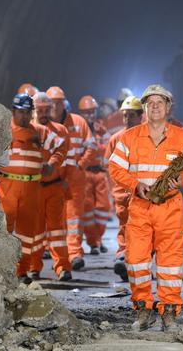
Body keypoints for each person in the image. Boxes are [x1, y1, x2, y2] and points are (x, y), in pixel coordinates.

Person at [108, 84, 183, 332]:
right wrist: (134, 185)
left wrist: (182, 180)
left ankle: (169, 312)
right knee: (136, 260)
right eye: (150, 103)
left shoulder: (181, 136)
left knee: (170, 262)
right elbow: (115, 167)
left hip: (170, 206)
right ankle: (143, 311)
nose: (155, 107)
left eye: (160, 102)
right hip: (140, 206)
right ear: (144, 108)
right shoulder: (130, 137)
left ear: (168, 108)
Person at [0, 93, 63, 284]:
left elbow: (61, 147)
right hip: (8, 187)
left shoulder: (40, 132)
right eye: (20, 112)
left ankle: (22, 273)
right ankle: (0, 270)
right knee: (3, 231)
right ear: (13, 112)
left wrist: (52, 164)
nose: (24, 116)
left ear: (32, 113)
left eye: (27, 112)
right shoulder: (4, 132)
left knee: (27, 234)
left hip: (31, 187)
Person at [47, 86, 98, 271]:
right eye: (51, 103)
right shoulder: (44, 125)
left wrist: (81, 164)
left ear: (63, 103)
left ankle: (75, 254)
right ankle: (60, 258)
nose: (55, 107)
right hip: (52, 178)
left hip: (75, 178)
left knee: (74, 218)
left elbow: (92, 145)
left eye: (58, 103)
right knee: (55, 219)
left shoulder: (77, 122)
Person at [30, 92, 72, 281]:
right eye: (40, 110)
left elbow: (66, 158)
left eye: (48, 110)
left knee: (57, 230)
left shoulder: (61, 130)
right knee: (35, 232)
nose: (45, 114)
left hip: (54, 187)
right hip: (34, 189)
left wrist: (64, 180)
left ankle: (63, 268)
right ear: (33, 111)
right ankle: (33, 268)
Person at [104, 96, 145, 282]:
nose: (127, 119)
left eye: (131, 115)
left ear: (140, 116)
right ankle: (123, 258)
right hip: (123, 194)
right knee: (125, 228)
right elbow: (109, 166)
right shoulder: (115, 139)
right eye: (125, 115)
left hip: (144, 194)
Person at [78, 95, 111, 255]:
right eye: (87, 112)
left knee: (104, 208)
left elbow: (108, 147)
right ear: (82, 113)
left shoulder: (101, 128)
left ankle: (98, 238)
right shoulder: (79, 130)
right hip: (85, 175)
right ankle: (94, 243)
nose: (90, 115)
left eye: (92, 112)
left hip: (100, 173)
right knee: (88, 210)